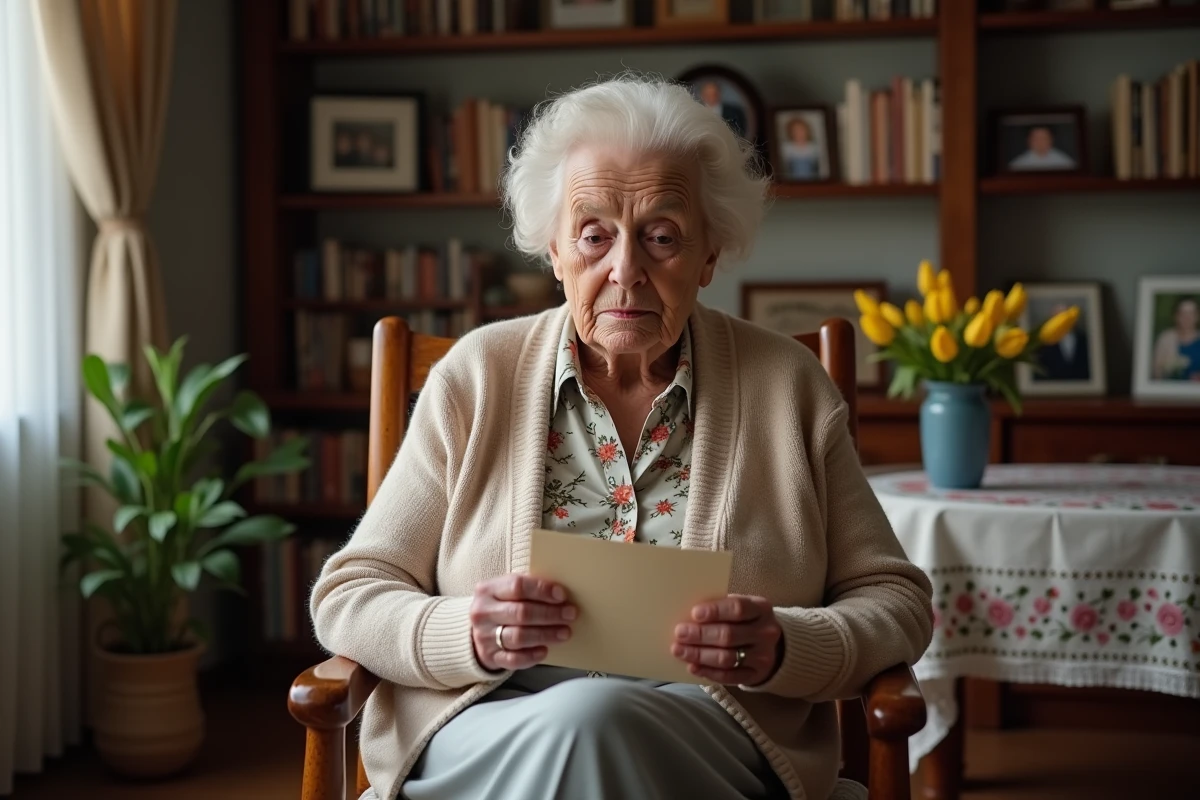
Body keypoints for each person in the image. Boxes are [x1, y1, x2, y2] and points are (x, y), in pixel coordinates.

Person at [311, 76, 933, 800]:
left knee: (597, 721)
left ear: (709, 255)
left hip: (709, 740)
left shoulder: (787, 387)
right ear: (554, 252)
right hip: (491, 731)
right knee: (585, 720)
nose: (626, 270)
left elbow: (895, 602)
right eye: (594, 235)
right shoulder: (477, 377)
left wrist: (785, 648)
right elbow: (350, 595)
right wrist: (464, 634)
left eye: (662, 237)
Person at [1035, 301, 1090, 381]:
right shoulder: (1043, 343)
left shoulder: (1084, 339)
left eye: (1066, 316)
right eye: (1059, 316)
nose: (1063, 320)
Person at [1152, 296, 1200, 381]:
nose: (1187, 318)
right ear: (1176, 316)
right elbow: (1156, 372)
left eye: (1191, 313)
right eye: (1183, 313)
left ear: (1197, 316)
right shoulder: (1165, 339)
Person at [1008, 126, 1076, 171]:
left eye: (1044, 138)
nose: (1040, 142)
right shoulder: (1017, 164)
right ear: (1029, 141)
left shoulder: (1065, 162)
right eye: (1036, 138)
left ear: (1051, 140)